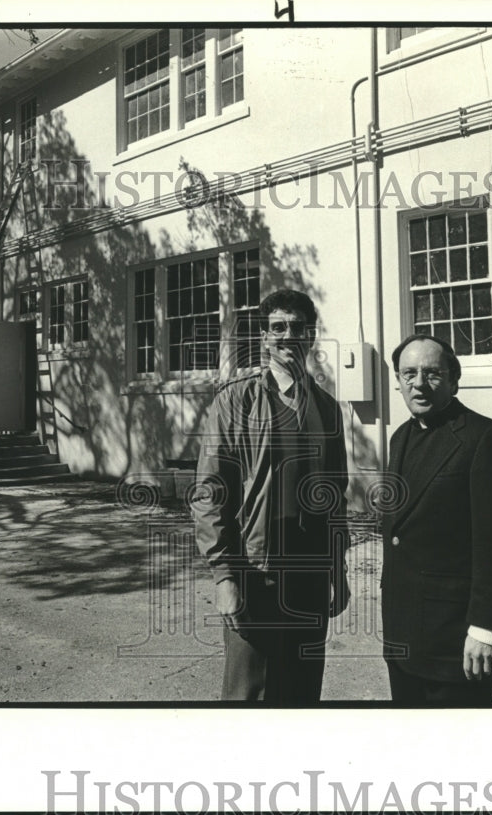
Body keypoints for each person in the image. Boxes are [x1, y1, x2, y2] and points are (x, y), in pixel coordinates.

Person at [192, 288, 350, 704]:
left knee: (301, 689)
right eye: (277, 328)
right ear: (264, 337)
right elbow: (210, 491)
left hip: (311, 569)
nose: (287, 336)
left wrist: (339, 570)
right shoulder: (235, 400)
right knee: (250, 692)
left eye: (297, 328)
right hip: (257, 564)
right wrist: (225, 575)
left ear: (311, 335)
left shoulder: (328, 408)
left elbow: (336, 494)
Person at [381, 334, 492, 704]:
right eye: (408, 373)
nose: (418, 383)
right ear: (398, 381)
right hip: (403, 635)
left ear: (453, 380)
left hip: (455, 641)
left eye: (432, 373)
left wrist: (487, 628)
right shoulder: (399, 439)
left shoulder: (485, 439)